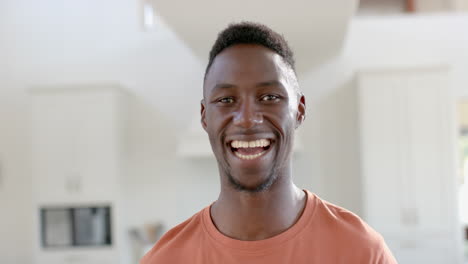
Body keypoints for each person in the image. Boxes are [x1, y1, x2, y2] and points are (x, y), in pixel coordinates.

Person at [140, 22, 397, 264]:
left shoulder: (362, 251)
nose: (248, 119)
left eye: (269, 97)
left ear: (299, 110)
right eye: (226, 100)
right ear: (205, 117)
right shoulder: (165, 259)